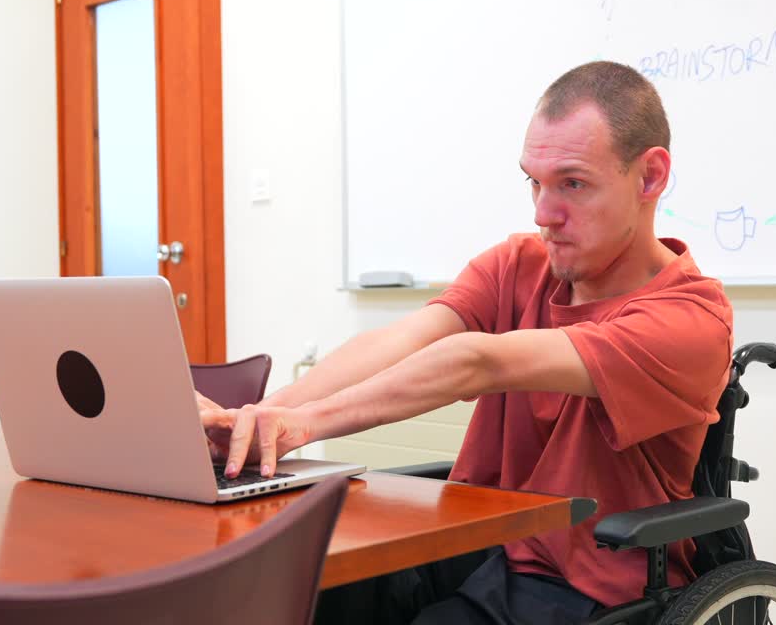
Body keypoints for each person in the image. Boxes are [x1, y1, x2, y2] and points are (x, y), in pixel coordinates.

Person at [200, 61, 734, 624]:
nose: (543, 214)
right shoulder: (518, 265)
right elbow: (404, 340)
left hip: (589, 589)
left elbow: (478, 362)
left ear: (649, 177)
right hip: (481, 556)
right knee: (295, 595)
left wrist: (305, 426)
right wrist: (258, 419)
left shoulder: (690, 319)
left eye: (573, 184)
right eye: (534, 181)